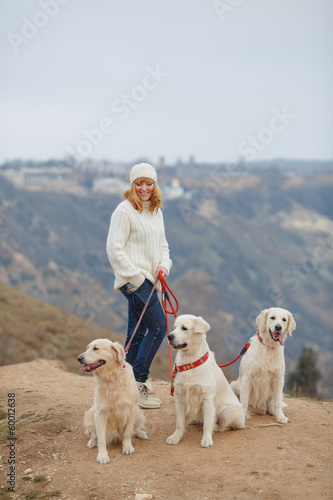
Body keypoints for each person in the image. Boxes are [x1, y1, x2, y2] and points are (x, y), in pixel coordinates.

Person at [106, 163, 172, 409]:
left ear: (155, 185)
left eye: (149, 183)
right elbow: (114, 248)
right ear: (132, 185)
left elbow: (163, 245)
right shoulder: (124, 211)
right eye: (139, 183)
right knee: (158, 329)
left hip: (150, 281)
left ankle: (122, 386)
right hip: (135, 282)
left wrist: (164, 265)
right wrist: (136, 278)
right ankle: (139, 383)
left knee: (135, 334)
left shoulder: (156, 211)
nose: (144, 188)